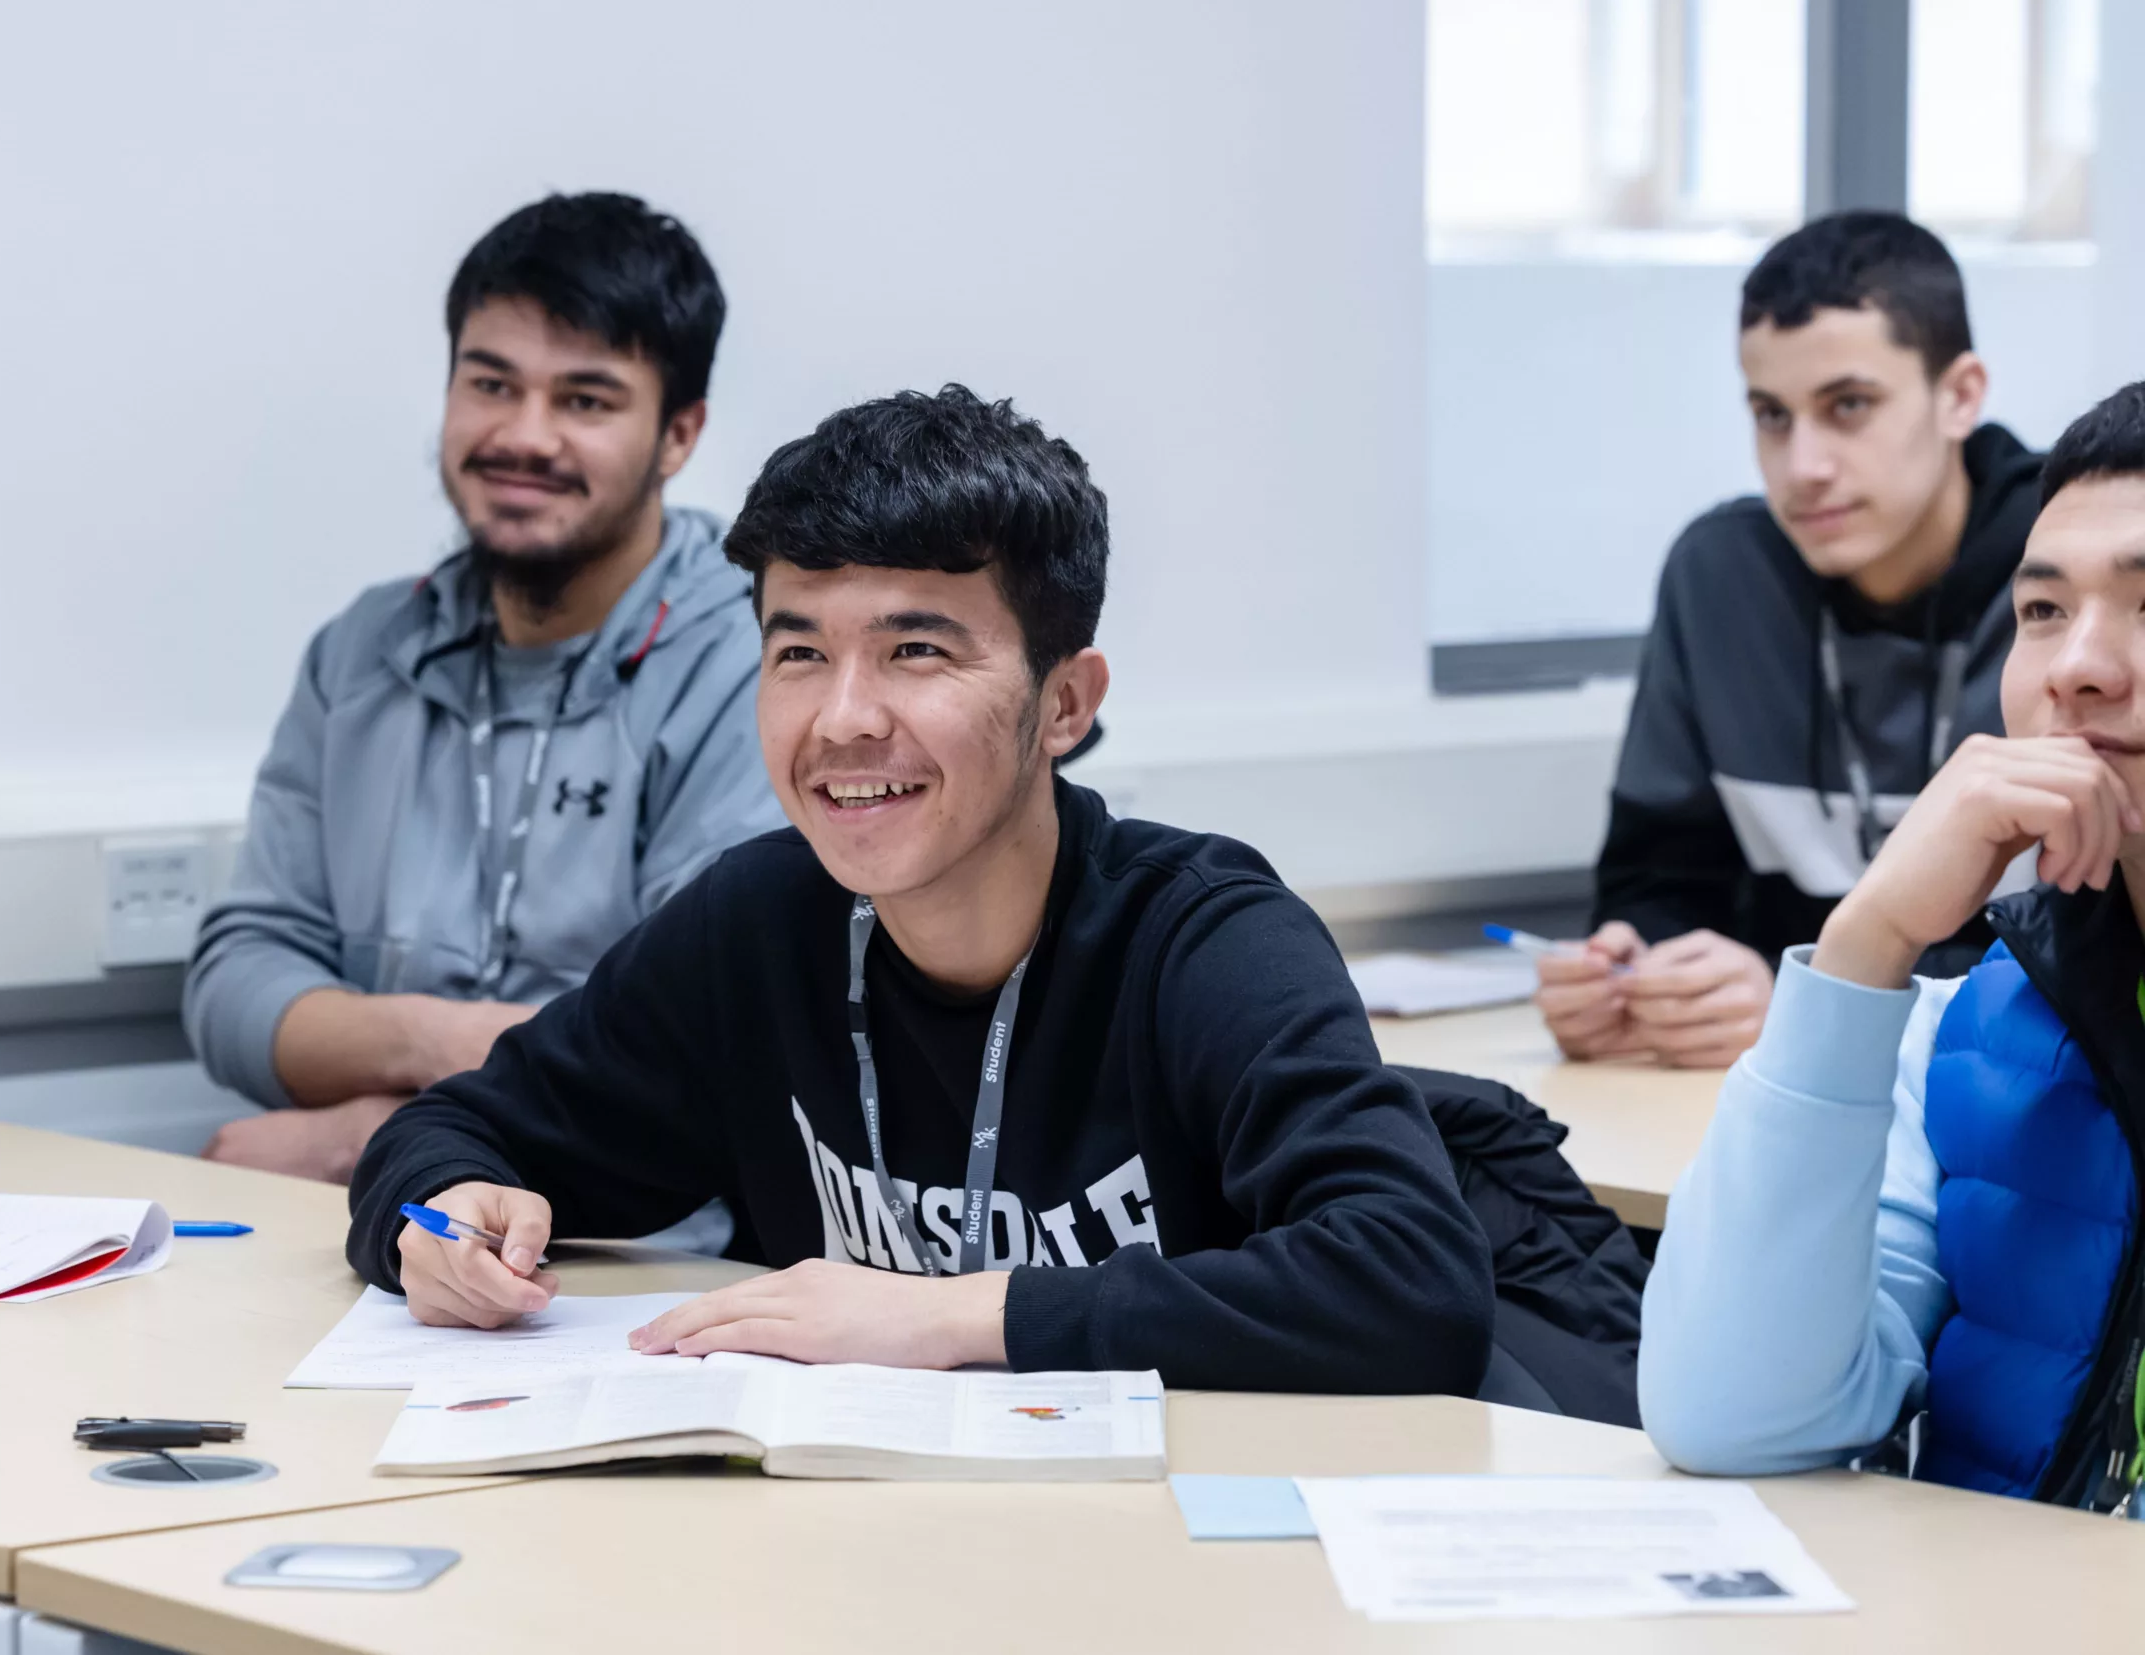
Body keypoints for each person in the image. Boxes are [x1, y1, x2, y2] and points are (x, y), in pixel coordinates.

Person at [345, 385, 1494, 1392]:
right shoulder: (759, 927)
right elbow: (457, 1130)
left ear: (1064, 704)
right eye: (799, 653)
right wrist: (441, 1220)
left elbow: (1409, 1283)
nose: (842, 718)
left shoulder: (1198, 936)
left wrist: (951, 1316)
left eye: (917, 653)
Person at [184, 193, 783, 1183]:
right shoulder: (364, 651)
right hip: (371, 1228)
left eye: (585, 400)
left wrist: (374, 1132)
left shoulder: (760, 660)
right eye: (491, 383)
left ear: (678, 434)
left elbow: (692, 1044)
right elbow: (237, 986)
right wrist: (426, 1053)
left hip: (639, 1260)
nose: (524, 436)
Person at [1637, 382, 2145, 1510]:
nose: (2078, 667)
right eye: (2044, 613)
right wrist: (1865, 944)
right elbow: (1732, 1418)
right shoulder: (1976, 1033)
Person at [1541, 212, 2047, 1071]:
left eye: (1848, 406)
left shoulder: (2074, 578)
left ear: (1959, 395)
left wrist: (1813, 1000)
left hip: (2015, 1096)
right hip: (1768, 1097)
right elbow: (1656, 883)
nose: (1802, 464)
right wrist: (1640, 974)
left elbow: (2106, 959)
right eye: (1772, 416)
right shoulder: (1718, 579)